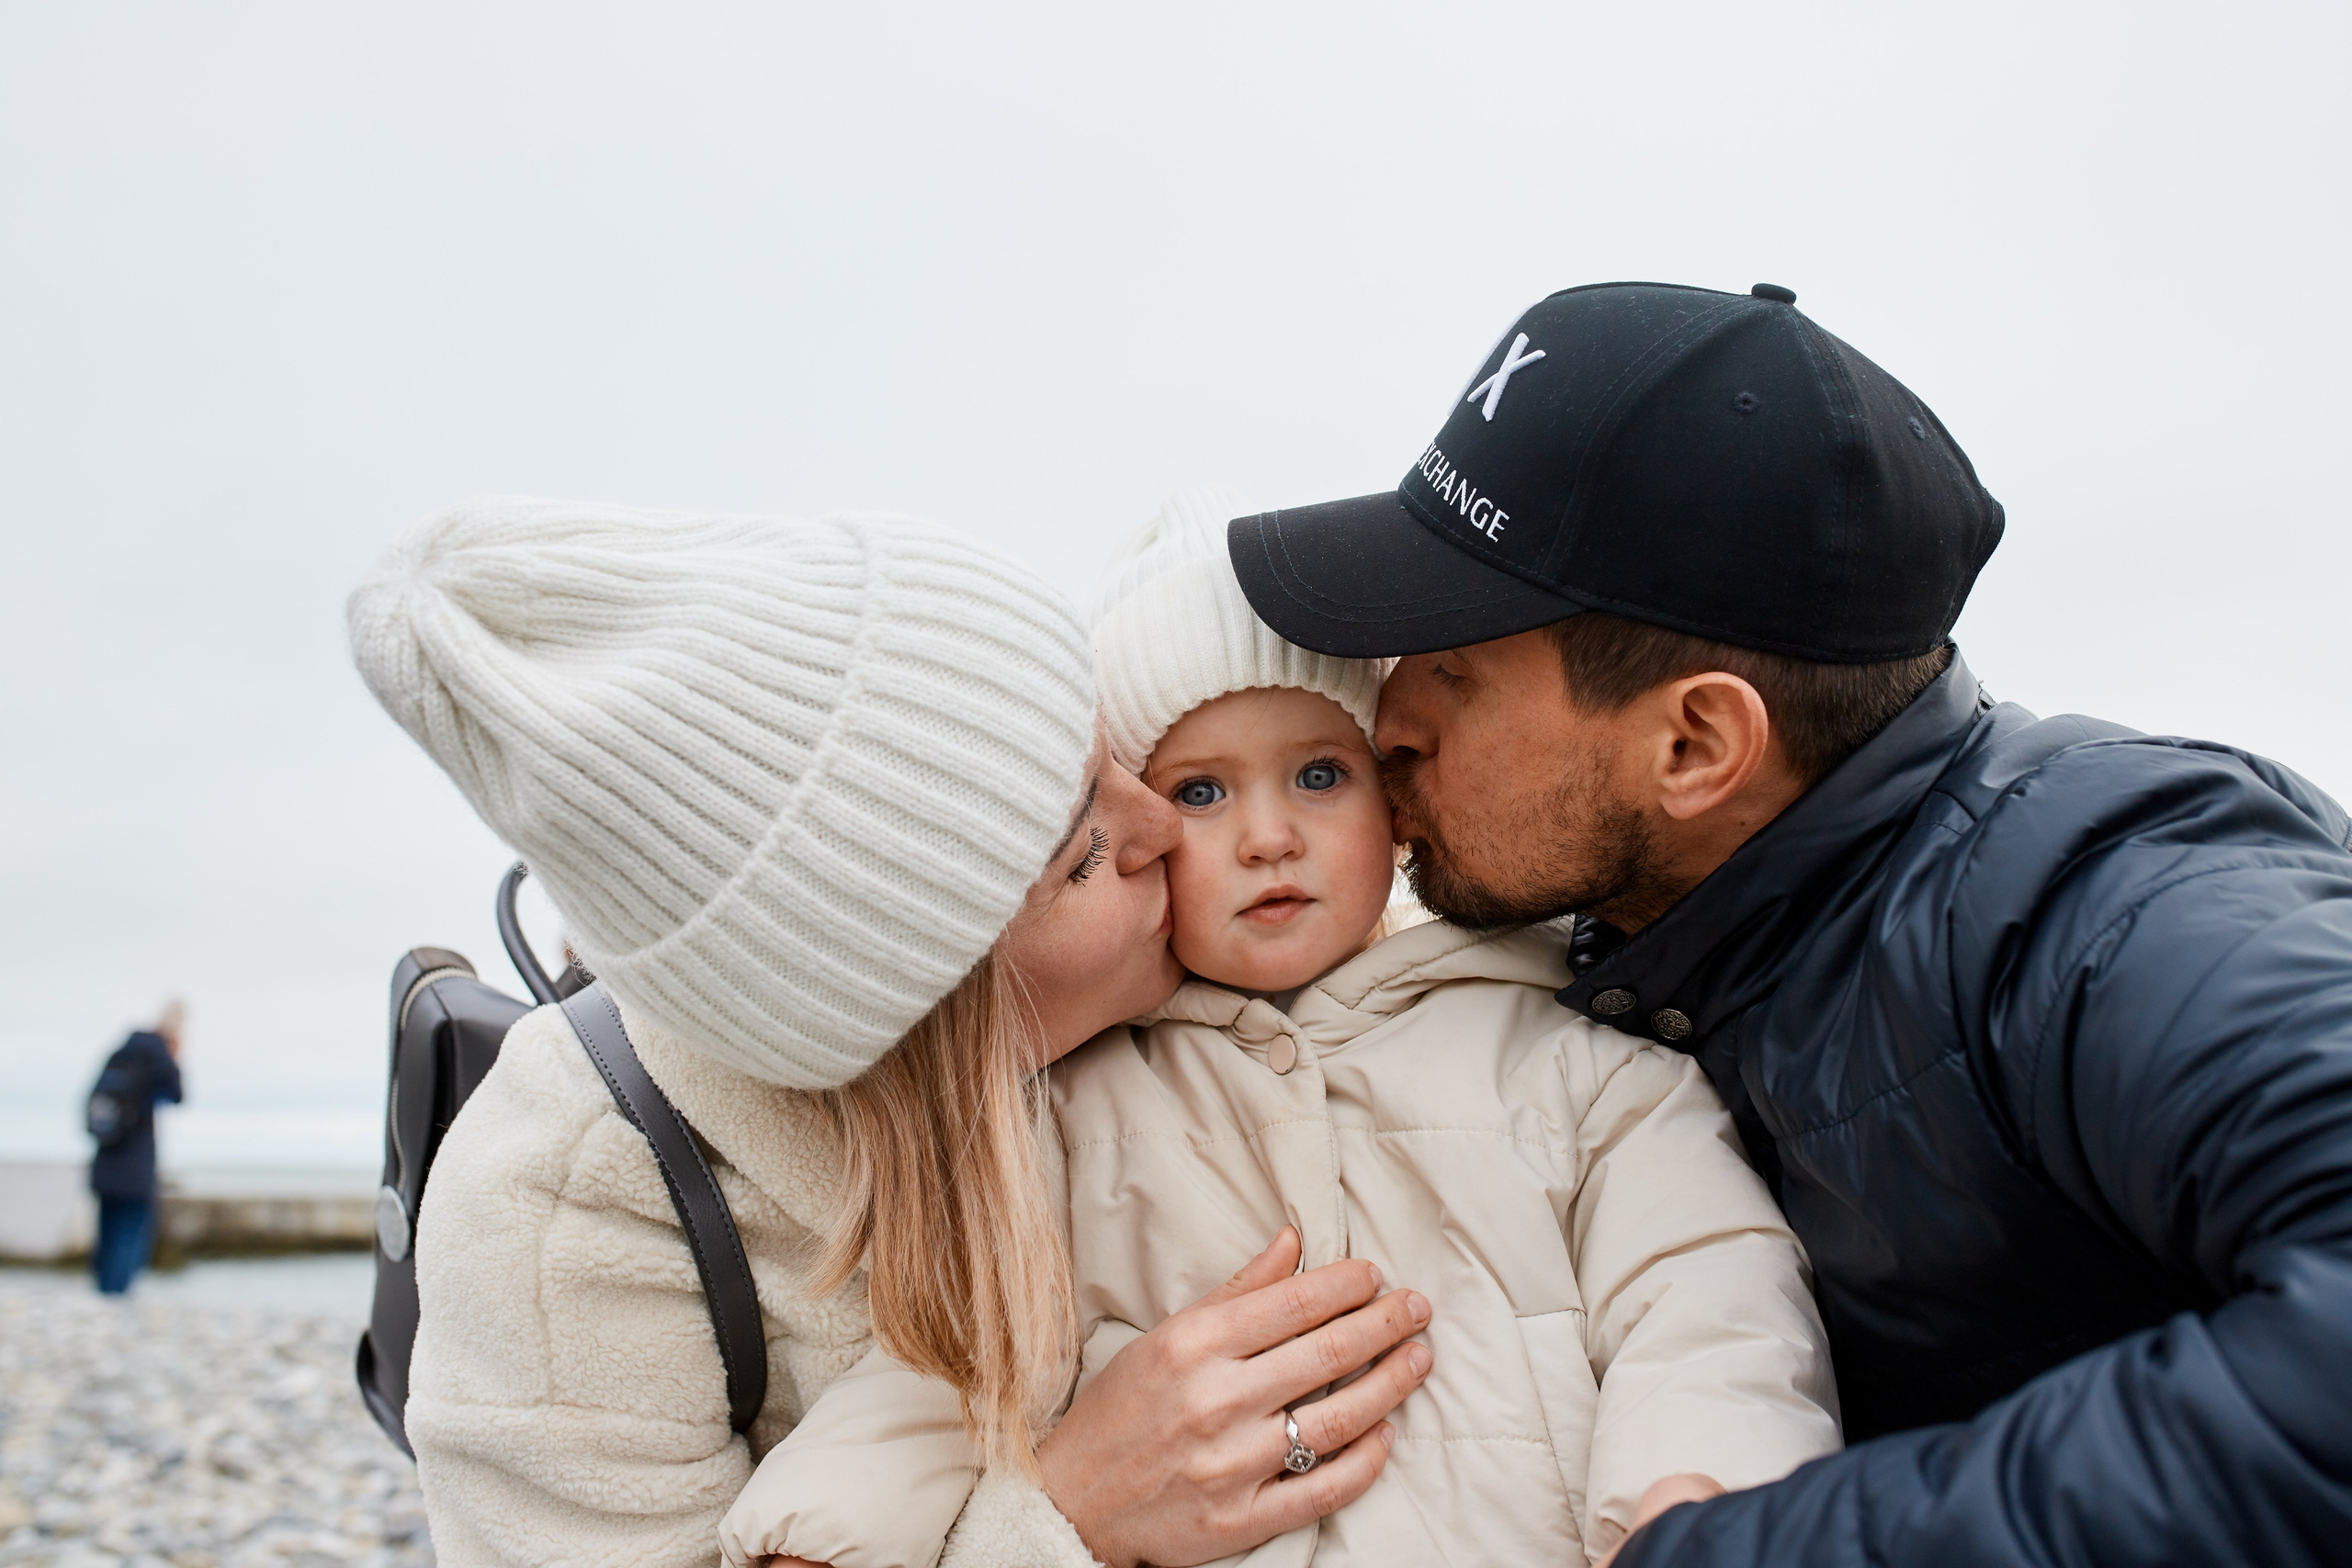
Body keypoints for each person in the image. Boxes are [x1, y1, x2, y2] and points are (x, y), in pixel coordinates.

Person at [1228, 281, 2352, 1564]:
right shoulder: (1602, 950)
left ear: (1698, 742)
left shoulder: (2104, 895)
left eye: (1452, 664)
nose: (1388, 724)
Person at [725, 490, 1840, 1567]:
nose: (1267, 837)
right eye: (1202, 792)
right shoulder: (1069, 1108)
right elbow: (950, 1365)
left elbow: (1708, 1297)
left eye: (1318, 774)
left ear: (1396, 803)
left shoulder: (1577, 1056)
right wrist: (824, 1532)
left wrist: (1690, 1504)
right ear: (1142, 828)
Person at [345, 498, 1435, 1568]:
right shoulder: (564, 1204)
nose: (1163, 826)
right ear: (915, 991)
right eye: (1083, 854)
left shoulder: (1220, 987)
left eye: (1119, 763)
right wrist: (1067, 1520)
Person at [86, 999, 185, 1294]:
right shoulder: (158, 1056)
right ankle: (116, 1300)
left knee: (108, 1233)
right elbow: (178, 1094)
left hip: (105, 1160)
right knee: (130, 1234)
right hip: (137, 1163)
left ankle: (102, 1297)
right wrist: (176, 1052)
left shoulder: (117, 1055)